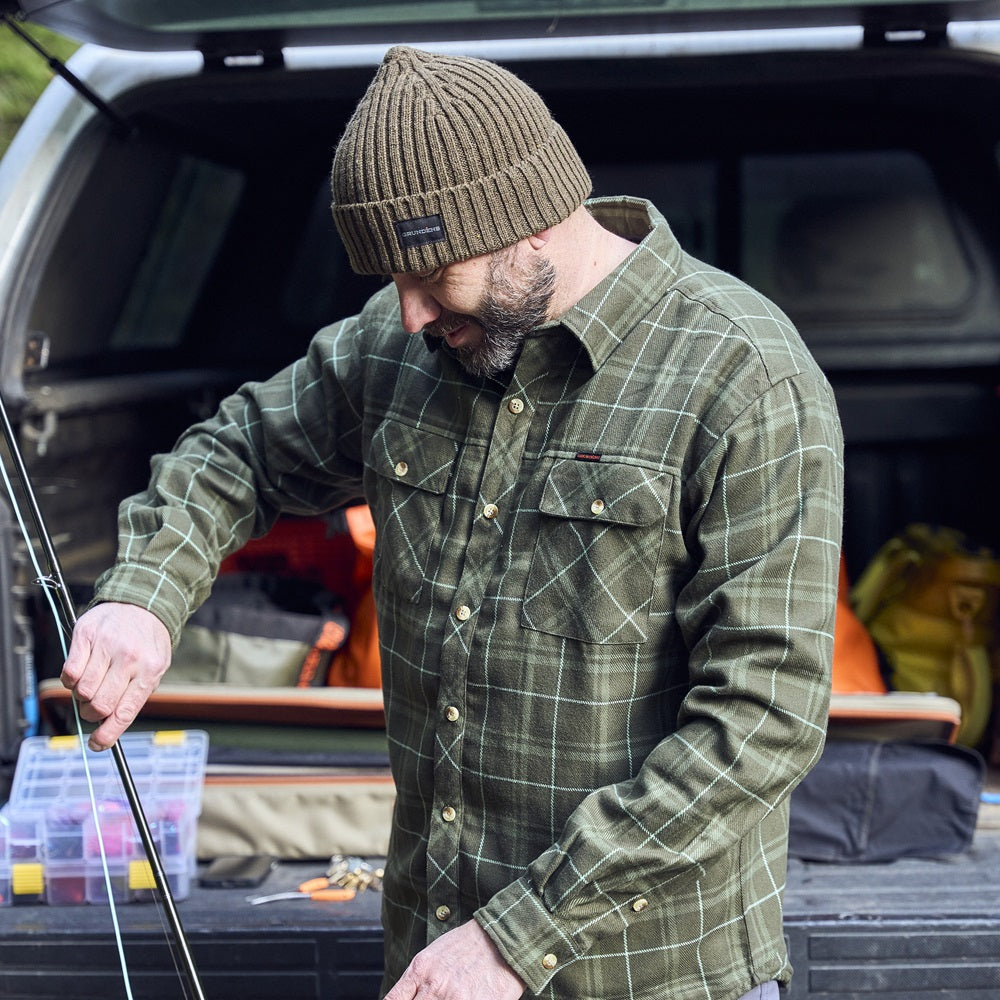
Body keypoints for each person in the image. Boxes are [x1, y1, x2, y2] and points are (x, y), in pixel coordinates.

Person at [62, 46, 844, 1000]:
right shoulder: (399, 348)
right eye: (389, 277)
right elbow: (237, 452)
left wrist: (520, 938)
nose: (407, 313)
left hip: (657, 978)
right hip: (433, 959)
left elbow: (761, 721)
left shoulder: (744, 376)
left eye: (431, 273)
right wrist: (146, 596)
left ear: (530, 223)